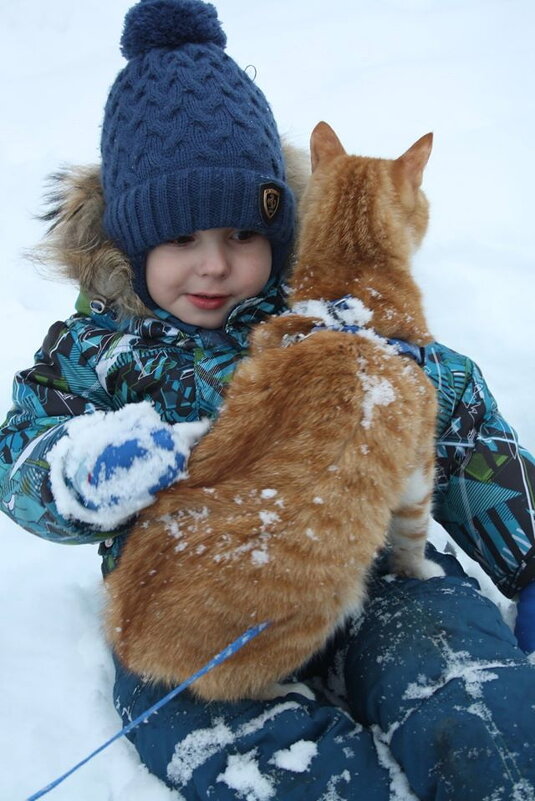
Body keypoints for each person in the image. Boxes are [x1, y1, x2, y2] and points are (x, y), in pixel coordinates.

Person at [1, 1, 535, 798]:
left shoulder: (331, 315)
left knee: (459, 680)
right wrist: (76, 472)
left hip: (374, 559)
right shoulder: (91, 351)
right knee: (204, 723)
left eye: (241, 237)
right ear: (131, 242)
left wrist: (527, 556)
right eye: (181, 241)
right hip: (201, 604)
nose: (214, 266)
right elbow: (20, 450)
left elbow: (449, 420)